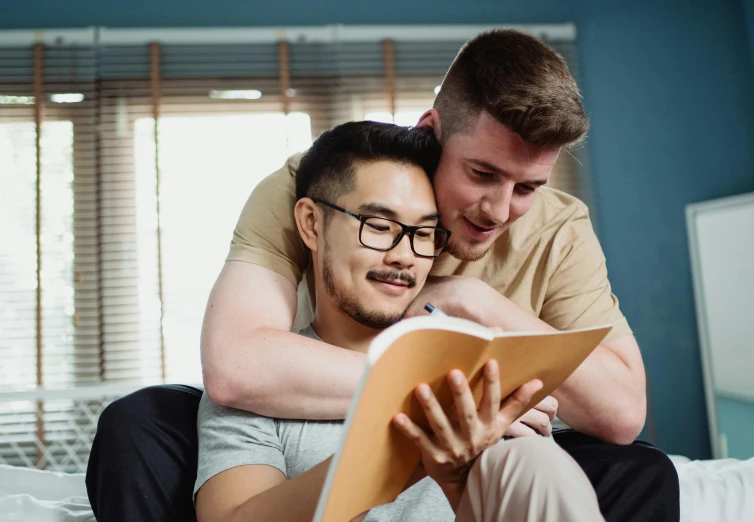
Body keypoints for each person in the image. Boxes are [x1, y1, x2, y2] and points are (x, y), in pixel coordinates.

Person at [86, 29, 679, 522]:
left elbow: (622, 414)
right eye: (480, 173)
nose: (499, 210)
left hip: (490, 418)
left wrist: (473, 301)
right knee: (140, 423)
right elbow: (236, 368)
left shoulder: (556, 227)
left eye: (526, 188)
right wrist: (432, 400)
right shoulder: (319, 183)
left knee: (639, 471)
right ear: (432, 130)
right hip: (312, 392)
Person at [195, 119, 605, 522]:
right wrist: (418, 438)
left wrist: (459, 469)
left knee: (531, 458)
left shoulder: (479, 378)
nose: (404, 256)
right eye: (379, 226)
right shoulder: (256, 392)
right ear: (311, 223)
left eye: (424, 234)